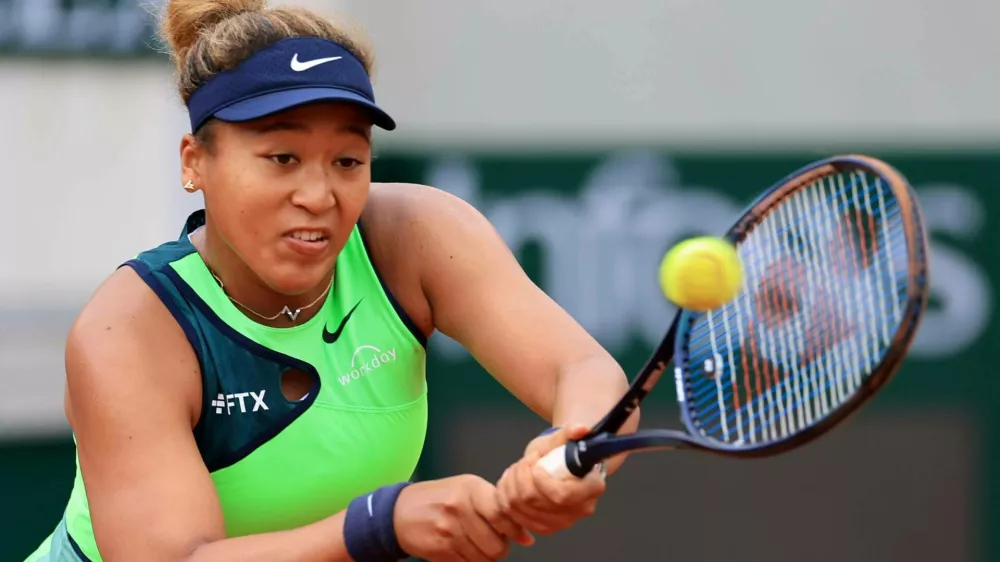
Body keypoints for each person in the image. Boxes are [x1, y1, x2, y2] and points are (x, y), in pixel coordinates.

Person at [25, 1, 638, 561]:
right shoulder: (128, 328)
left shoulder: (418, 236)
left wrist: (571, 451)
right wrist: (378, 524)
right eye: (281, 158)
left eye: (348, 160)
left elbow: (581, 372)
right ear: (195, 162)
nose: (319, 196)